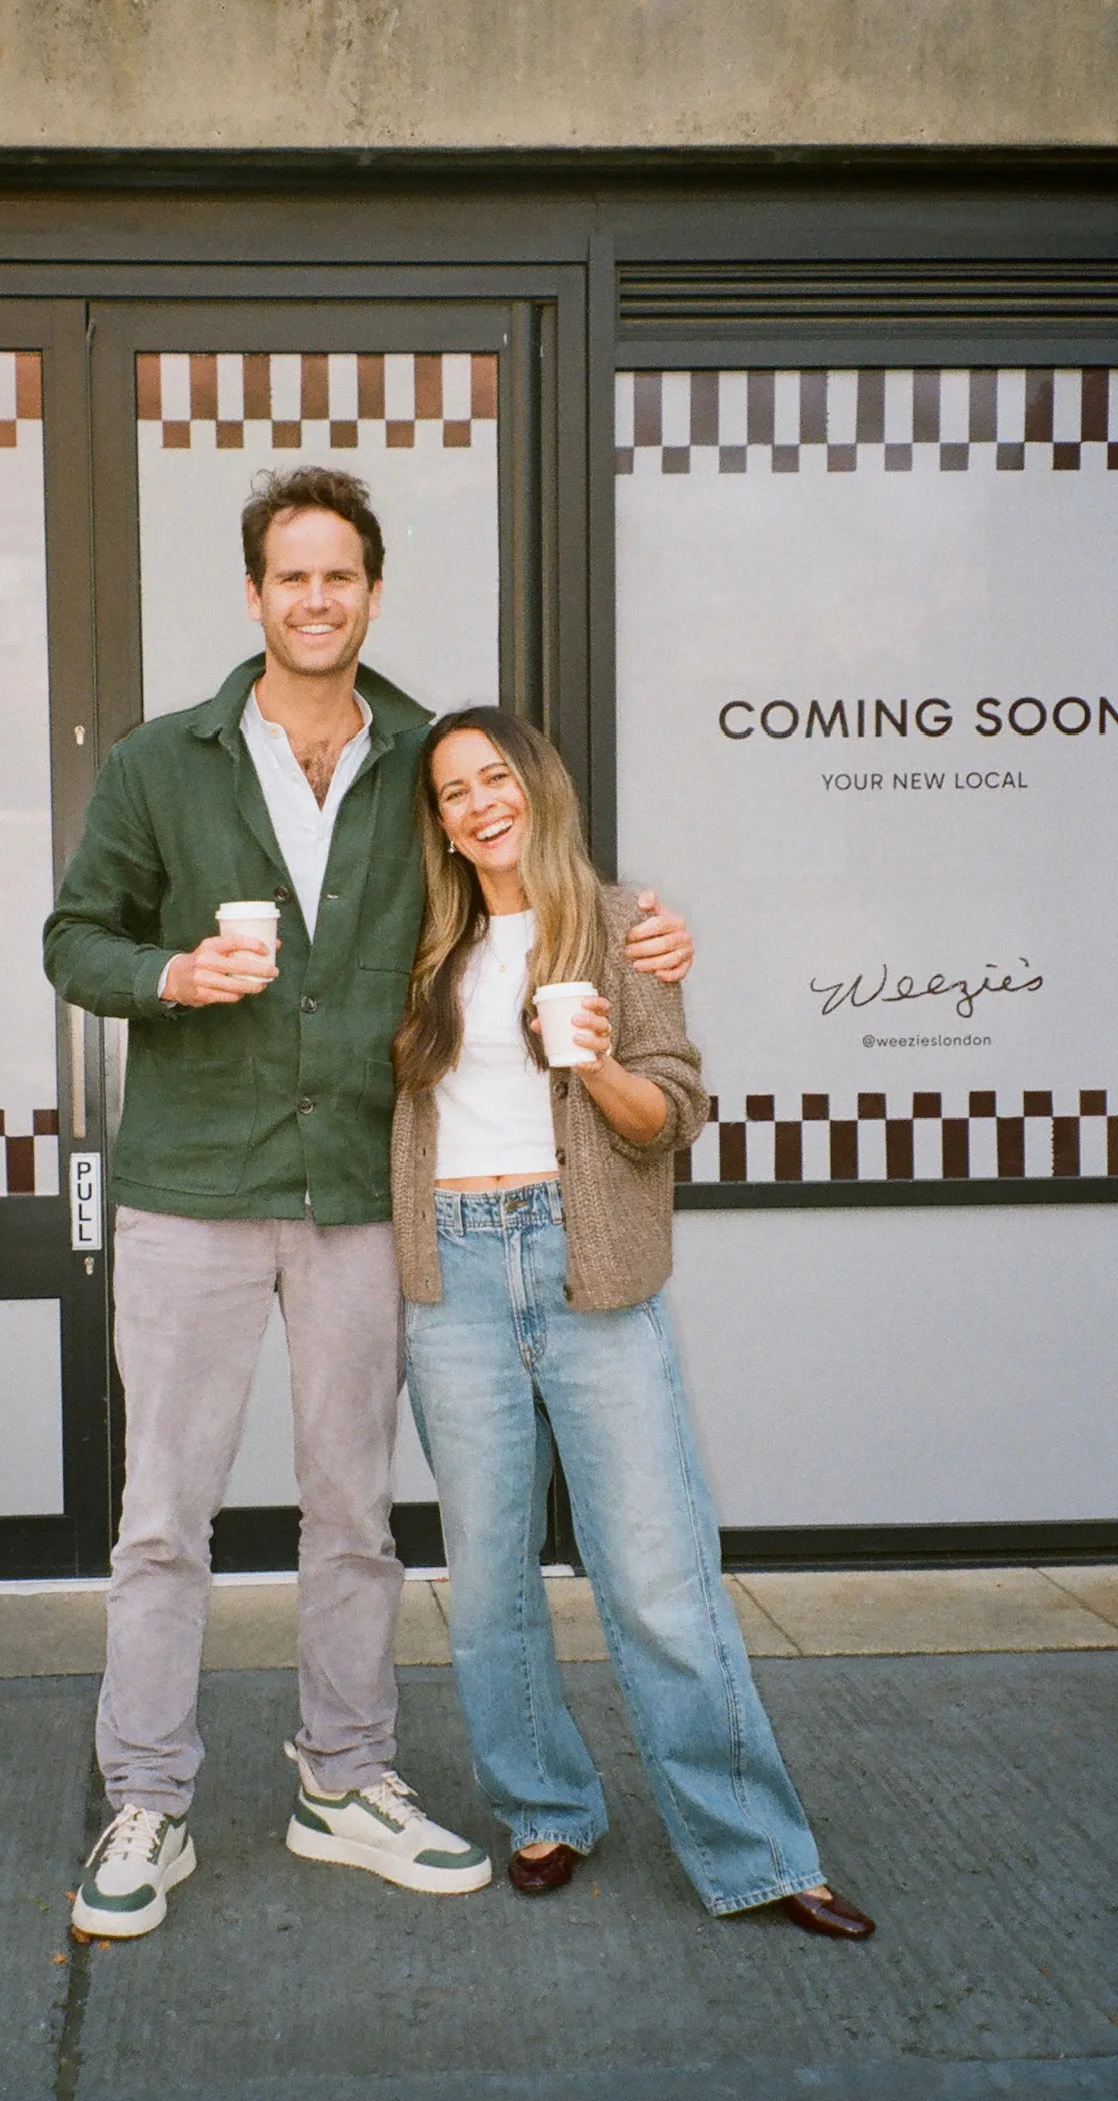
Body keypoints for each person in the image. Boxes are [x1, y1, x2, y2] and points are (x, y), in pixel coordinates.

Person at [43, 466, 694, 1940]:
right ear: (258, 595)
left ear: (374, 590)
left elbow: (528, 872)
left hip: (360, 1195)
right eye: (292, 577)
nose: (318, 600)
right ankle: (147, 1798)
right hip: (192, 1188)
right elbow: (73, 937)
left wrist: (648, 926)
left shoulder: (422, 758)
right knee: (164, 1519)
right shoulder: (163, 761)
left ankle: (346, 1780)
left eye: (342, 576)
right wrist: (167, 975)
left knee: (353, 1516)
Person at [390, 707, 875, 1939]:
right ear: (438, 824)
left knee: (660, 1576)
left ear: (539, 788)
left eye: (495, 777)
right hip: (449, 1273)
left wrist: (593, 1061)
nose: (478, 804)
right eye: (452, 792)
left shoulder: (622, 927)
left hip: (586, 1261)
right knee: (490, 1577)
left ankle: (761, 1850)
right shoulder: (417, 940)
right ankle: (544, 1805)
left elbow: (671, 1114)